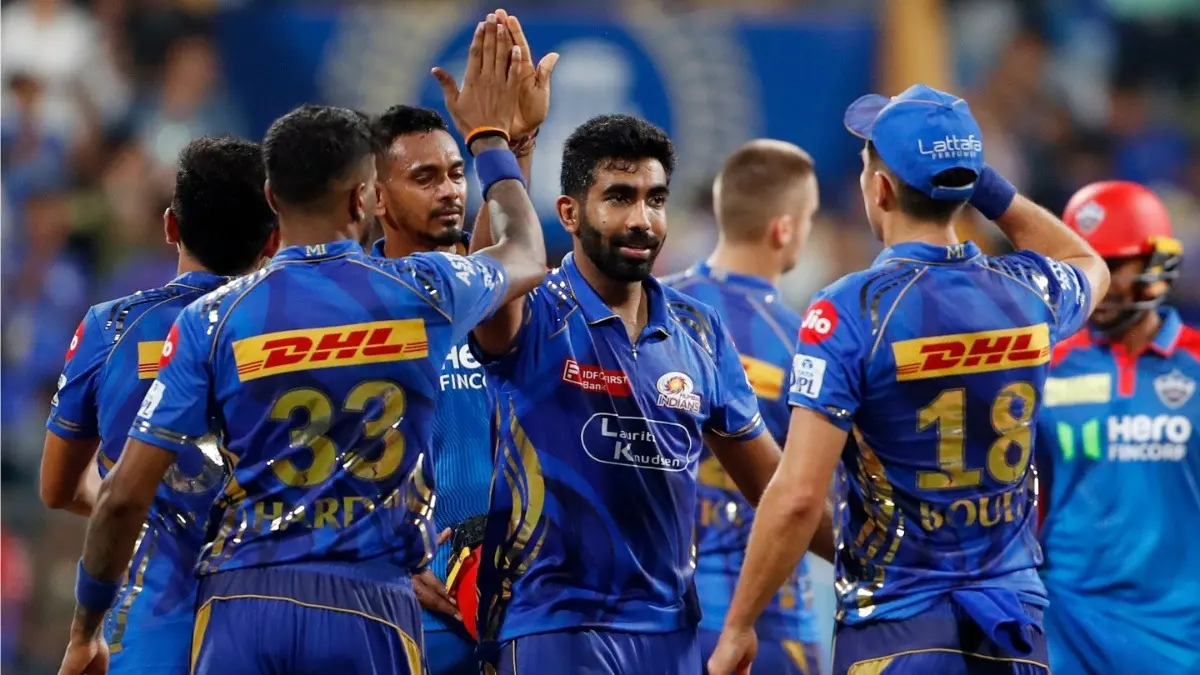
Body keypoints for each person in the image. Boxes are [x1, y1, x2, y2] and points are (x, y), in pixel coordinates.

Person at [56, 16, 547, 675]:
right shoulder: (424, 289)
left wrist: (87, 626)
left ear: (271, 198)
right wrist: (493, 141)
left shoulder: (212, 317)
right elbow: (523, 251)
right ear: (365, 198)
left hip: (244, 605)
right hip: (369, 605)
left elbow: (120, 497)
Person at [706, 83, 1110, 675]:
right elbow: (1087, 264)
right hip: (1015, 630)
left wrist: (739, 626)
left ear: (881, 188)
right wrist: (986, 188)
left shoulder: (849, 311)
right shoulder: (1028, 293)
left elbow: (797, 498)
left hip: (896, 627)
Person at [464, 112, 785, 674]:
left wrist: (875, 559)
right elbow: (493, 272)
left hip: (673, 635)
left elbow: (780, 492)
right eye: (619, 197)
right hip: (554, 626)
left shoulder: (700, 329)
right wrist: (502, 147)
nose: (643, 220)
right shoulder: (534, 311)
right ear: (569, 212)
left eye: (655, 199)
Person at [41, 135, 279, 675]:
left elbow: (57, 487)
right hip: (273, 613)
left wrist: (137, 498)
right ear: (273, 239)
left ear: (171, 225)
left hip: (148, 621)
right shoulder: (299, 331)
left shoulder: (112, 328)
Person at [662, 139, 828, 675]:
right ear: (784, 229)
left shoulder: (650, 309)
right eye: (809, 218)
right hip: (768, 621)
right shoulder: (803, 342)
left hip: (657, 609)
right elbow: (811, 493)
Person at [1035, 181, 1199, 674]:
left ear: (1155, 264)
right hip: (1066, 637)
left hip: (1178, 642)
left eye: (1114, 265)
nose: (1098, 283)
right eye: (1086, 264)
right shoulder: (1043, 368)